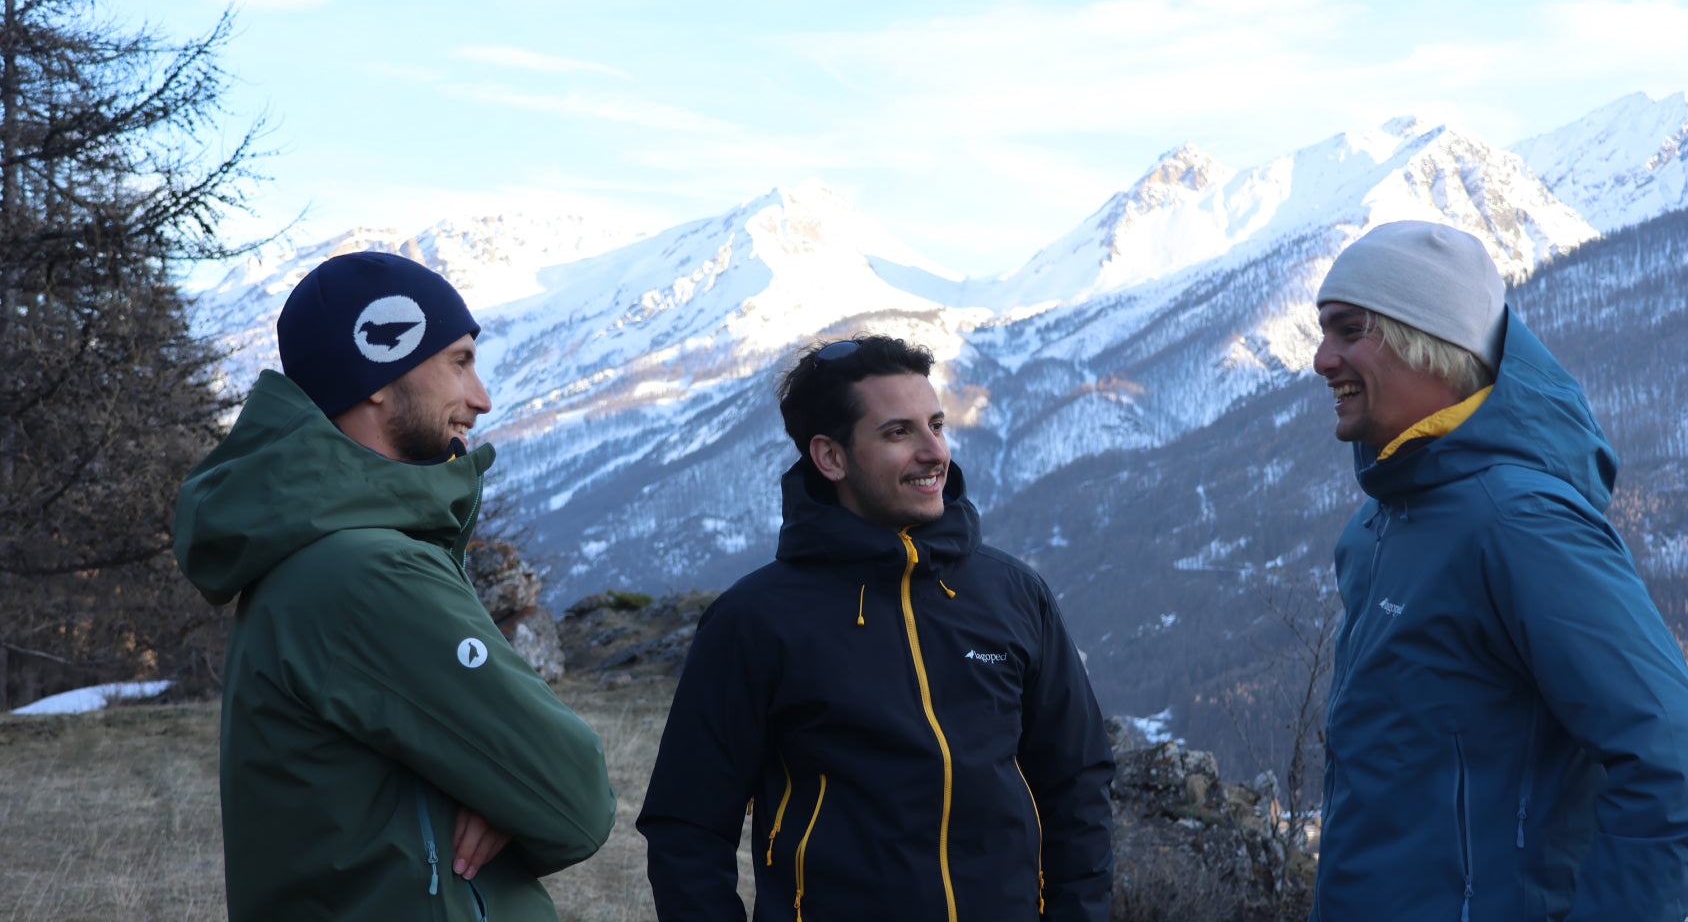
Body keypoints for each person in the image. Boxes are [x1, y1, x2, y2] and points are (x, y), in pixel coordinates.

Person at [172, 252, 616, 921]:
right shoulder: (368, 573)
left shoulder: (316, 551)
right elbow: (575, 796)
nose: (482, 398)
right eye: (459, 363)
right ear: (377, 373)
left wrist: (504, 786)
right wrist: (512, 786)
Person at [1308, 221, 1688, 921]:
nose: (1323, 360)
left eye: (1350, 331)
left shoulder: (1519, 522)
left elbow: (1675, 764)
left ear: (1431, 344)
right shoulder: (1379, 526)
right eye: (1323, 333)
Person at [638, 335, 1114, 922]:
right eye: (899, 433)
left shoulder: (1013, 595)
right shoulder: (755, 621)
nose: (934, 451)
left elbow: (1078, 782)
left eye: (936, 425)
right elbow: (686, 828)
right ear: (831, 457)